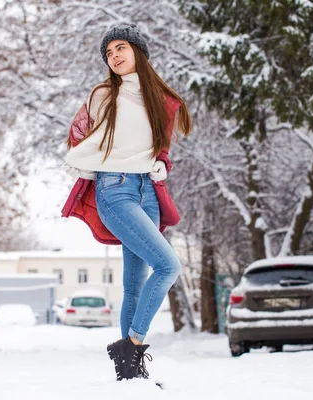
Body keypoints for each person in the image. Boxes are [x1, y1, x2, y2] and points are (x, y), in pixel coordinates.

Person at [61, 23, 192, 381]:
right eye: (108, 52)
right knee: (168, 266)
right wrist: (88, 158)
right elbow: (90, 139)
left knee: (135, 283)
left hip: (148, 190)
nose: (114, 56)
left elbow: (157, 147)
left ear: (138, 51)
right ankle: (132, 345)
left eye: (120, 48)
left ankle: (129, 372)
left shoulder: (158, 100)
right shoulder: (105, 94)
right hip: (115, 189)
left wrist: (162, 164)